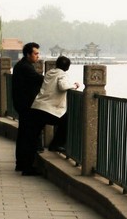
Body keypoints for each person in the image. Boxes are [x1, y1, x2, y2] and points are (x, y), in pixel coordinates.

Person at [30, 55, 80, 154]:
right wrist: (74, 85)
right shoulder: (62, 74)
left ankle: (37, 147)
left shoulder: (49, 72)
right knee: (65, 122)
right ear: (67, 67)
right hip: (50, 109)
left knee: (37, 129)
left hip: (38, 105)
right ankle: (56, 145)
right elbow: (63, 86)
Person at [12, 42, 44, 175]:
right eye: (36, 53)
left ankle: (21, 163)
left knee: (23, 134)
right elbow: (39, 79)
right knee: (28, 135)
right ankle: (27, 167)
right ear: (28, 54)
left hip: (22, 104)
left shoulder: (22, 65)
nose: (38, 56)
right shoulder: (25, 67)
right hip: (26, 106)